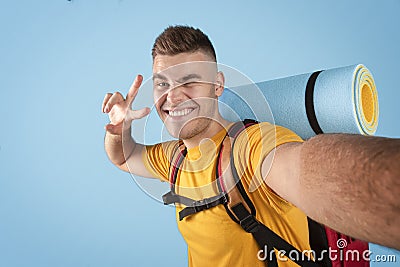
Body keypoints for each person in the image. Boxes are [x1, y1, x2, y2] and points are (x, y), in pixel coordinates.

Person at [102, 25, 400, 265]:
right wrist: (120, 128)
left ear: (217, 85)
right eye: (162, 84)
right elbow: (123, 157)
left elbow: (305, 169)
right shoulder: (175, 159)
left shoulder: (251, 146)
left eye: (188, 81)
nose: (173, 96)